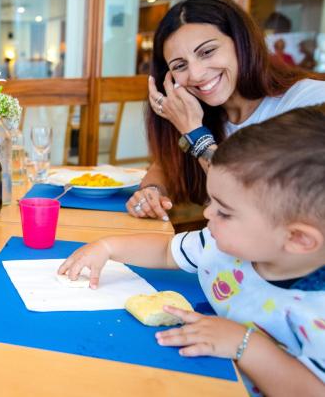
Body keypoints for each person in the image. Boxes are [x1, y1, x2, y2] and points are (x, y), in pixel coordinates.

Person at [59, 105, 325, 396]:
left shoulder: (316, 311)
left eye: (225, 212)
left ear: (298, 239)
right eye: (212, 202)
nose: (208, 214)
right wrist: (108, 247)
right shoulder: (222, 245)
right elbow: (165, 252)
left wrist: (244, 344)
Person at [128, 0, 325, 221]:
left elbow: (248, 204)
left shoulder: (309, 100)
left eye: (207, 52)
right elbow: (166, 165)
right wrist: (152, 191)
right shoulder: (204, 113)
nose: (196, 74)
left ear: (241, 42)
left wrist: (194, 133)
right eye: (180, 65)